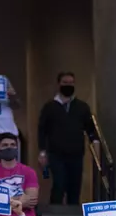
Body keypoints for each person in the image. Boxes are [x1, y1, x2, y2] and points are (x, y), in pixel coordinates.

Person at [37, 72, 98, 206]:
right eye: (65, 83)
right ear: (59, 84)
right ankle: (55, 212)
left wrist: (95, 141)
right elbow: (42, 130)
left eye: (71, 83)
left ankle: (73, 214)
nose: (68, 85)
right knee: (59, 183)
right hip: (56, 153)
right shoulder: (49, 107)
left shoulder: (82, 107)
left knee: (74, 186)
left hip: (76, 153)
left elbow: (90, 128)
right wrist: (42, 152)